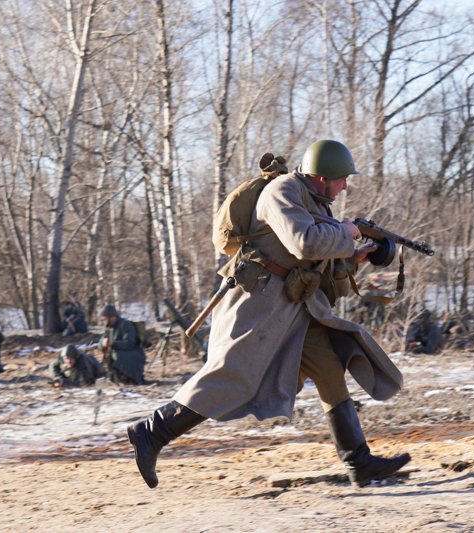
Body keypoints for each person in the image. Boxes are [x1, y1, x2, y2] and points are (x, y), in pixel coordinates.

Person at [127, 140, 410, 489]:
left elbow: (313, 258)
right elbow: (303, 242)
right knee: (233, 377)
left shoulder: (314, 199)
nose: (346, 186)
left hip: (293, 306)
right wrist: (347, 232)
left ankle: (358, 461)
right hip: (258, 303)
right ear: (323, 177)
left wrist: (357, 256)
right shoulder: (282, 191)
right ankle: (152, 432)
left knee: (328, 365)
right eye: (342, 179)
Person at [98, 304, 145, 385]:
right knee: (112, 354)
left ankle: (128, 377)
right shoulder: (109, 328)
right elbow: (100, 343)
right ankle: (116, 378)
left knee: (116, 355)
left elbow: (129, 343)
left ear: (111, 317)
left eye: (105, 319)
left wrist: (113, 343)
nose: (103, 321)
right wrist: (103, 343)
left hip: (134, 352)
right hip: (120, 351)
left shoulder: (126, 325)